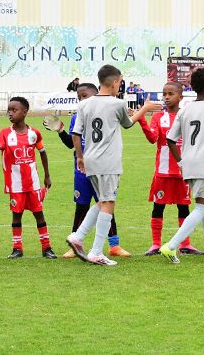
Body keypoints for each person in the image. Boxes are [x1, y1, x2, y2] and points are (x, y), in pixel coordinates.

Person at [66, 65, 159, 266]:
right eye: (120, 82)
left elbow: (76, 133)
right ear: (115, 82)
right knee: (109, 203)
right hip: (108, 161)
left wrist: (80, 158)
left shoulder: (84, 105)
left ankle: (78, 236)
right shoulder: (117, 104)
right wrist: (145, 109)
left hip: (90, 159)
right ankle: (97, 251)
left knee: (101, 202)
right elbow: (128, 124)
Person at [41, 83, 129, 259]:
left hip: (101, 167)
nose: (81, 100)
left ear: (96, 95)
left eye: (85, 96)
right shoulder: (78, 117)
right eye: (79, 97)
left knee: (106, 204)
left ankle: (114, 245)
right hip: (81, 171)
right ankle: (75, 244)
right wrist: (60, 131)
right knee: (81, 207)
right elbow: (71, 143)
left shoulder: (106, 114)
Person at [158, 68, 204, 264]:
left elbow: (171, 139)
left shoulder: (185, 109)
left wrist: (180, 162)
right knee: (202, 208)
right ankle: (171, 246)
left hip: (188, 164)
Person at [0, 97, 57, 259]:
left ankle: (47, 248)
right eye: (9, 110)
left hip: (33, 184)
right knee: (16, 215)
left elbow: (42, 153)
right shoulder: (5, 134)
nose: (10, 113)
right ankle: (17, 248)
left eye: (14, 110)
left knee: (39, 214)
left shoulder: (34, 133)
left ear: (25, 112)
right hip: (16, 185)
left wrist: (47, 175)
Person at [135, 82, 200, 256]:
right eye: (164, 93)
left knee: (184, 208)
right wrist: (142, 119)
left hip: (183, 171)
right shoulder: (158, 118)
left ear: (180, 96)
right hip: (163, 171)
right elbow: (152, 138)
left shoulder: (187, 116)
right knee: (158, 206)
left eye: (171, 93)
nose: (166, 97)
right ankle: (155, 244)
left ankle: (185, 243)